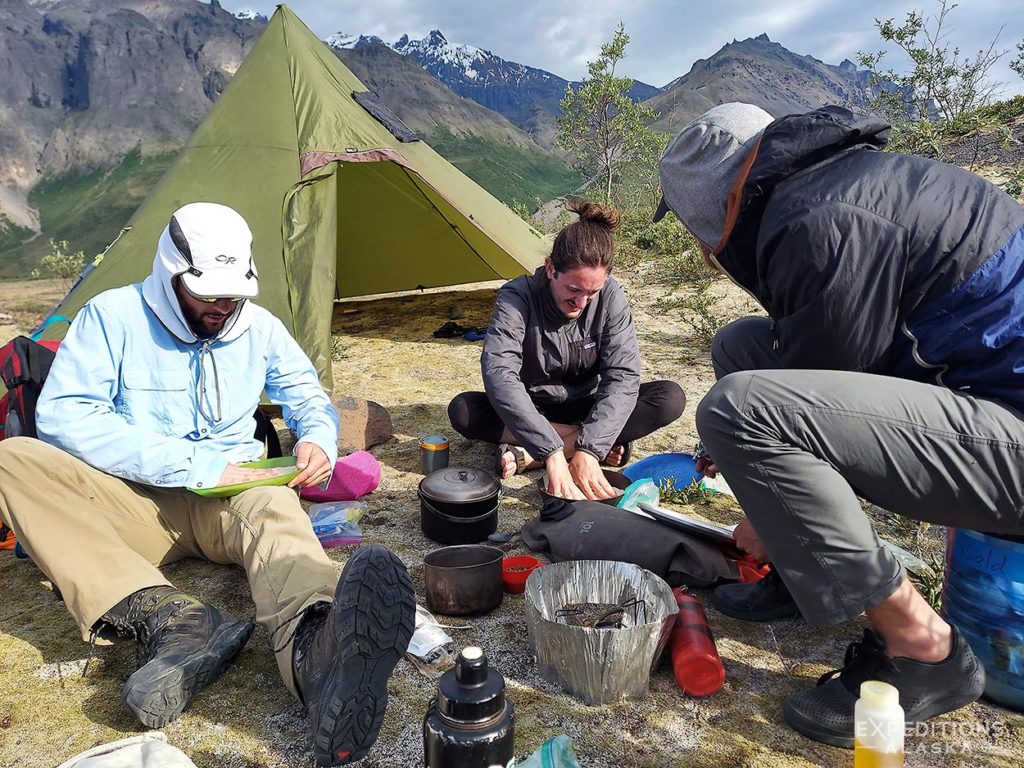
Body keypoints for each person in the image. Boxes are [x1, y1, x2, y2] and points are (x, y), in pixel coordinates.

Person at [654, 101, 1024, 748]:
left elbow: (800, 408)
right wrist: (772, 511)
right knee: (742, 348)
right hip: (978, 393)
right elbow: (823, 378)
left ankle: (921, 644)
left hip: (1009, 433)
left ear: (716, 198)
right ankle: (806, 575)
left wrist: (765, 512)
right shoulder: (831, 187)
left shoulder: (820, 222)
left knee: (740, 409)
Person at [0, 202, 415, 767]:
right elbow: (66, 417)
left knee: (274, 507)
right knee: (15, 459)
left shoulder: (259, 326)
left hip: (236, 499)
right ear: (171, 276)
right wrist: (194, 466)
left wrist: (318, 438)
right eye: (207, 295)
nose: (222, 307)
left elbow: (308, 395)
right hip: (133, 504)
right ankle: (171, 618)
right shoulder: (111, 317)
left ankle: (318, 651)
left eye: (232, 295)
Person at [448, 200, 685, 501]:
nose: (582, 302)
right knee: (464, 411)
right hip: (533, 408)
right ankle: (575, 443)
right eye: (573, 290)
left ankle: (536, 454)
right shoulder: (518, 295)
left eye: (592, 292)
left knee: (669, 397)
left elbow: (622, 376)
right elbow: (500, 373)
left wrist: (588, 449)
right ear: (550, 269)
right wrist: (552, 447)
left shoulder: (612, 297)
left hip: (588, 403)